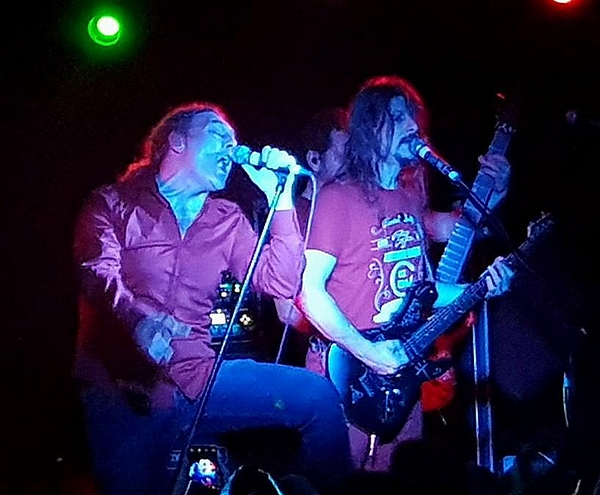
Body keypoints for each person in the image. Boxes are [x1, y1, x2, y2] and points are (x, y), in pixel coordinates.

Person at [71, 101, 353, 495]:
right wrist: (138, 321)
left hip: (200, 379)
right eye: (218, 135)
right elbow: (96, 273)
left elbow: (280, 282)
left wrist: (281, 200)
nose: (231, 148)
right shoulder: (112, 203)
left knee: (317, 397)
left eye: (233, 140)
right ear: (177, 142)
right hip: (123, 385)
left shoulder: (226, 219)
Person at [295, 75, 514, 471]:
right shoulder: (337, 197)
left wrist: (482, 286)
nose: (413, 126)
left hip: (400, 376)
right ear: (369, 129)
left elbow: (424, 292)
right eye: (397, 118)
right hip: (348, 376)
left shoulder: (409, 199)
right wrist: (370, 353)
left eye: (412, 116)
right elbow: (309, 293)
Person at [274, 107, 348, 366]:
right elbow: (286, 310)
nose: (352, 164)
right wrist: (340, 337)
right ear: (314, 160)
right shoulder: (293, 218)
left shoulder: (352, 209)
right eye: (343, 154)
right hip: (326, 357)